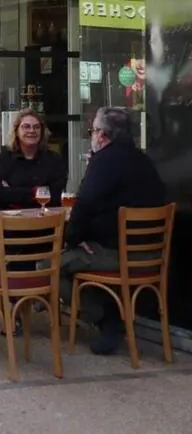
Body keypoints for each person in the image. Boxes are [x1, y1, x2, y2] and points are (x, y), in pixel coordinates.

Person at [58, 107, 167, 356]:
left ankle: (108, 319)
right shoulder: (143, 160)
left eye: (92, 131)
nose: (92, 135)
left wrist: (72, 239)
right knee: (78, 261)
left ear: (102, 134)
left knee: (49, 266)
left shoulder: (104, 161)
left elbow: (84, 204)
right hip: (154, 256)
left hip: (116, 254)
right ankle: (108, 314)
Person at [0, 109, 68, 208]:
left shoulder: (54, 160)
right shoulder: (4, 158)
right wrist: (36, 192)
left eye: (36, 127)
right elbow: (0, 194)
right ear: (16, 131)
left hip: (46, 216)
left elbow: (56, 196)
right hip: (11, 216)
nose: (32, 131)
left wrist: (15, 193)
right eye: (26, 127)